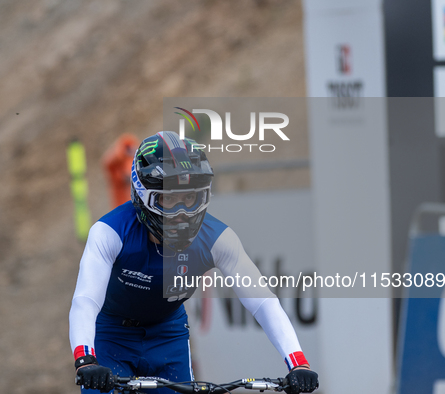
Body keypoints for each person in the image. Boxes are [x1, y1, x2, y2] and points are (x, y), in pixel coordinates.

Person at [69, 131, 319, 394]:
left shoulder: (218, 239)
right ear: (144, 196)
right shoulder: (109, 232)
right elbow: (85, 300)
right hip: (111, 334)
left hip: (168, 334)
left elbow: (262, 301)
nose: (182, 214)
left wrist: (297, 363)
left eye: (190, 199)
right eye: (169, 200)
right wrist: (85, 359)